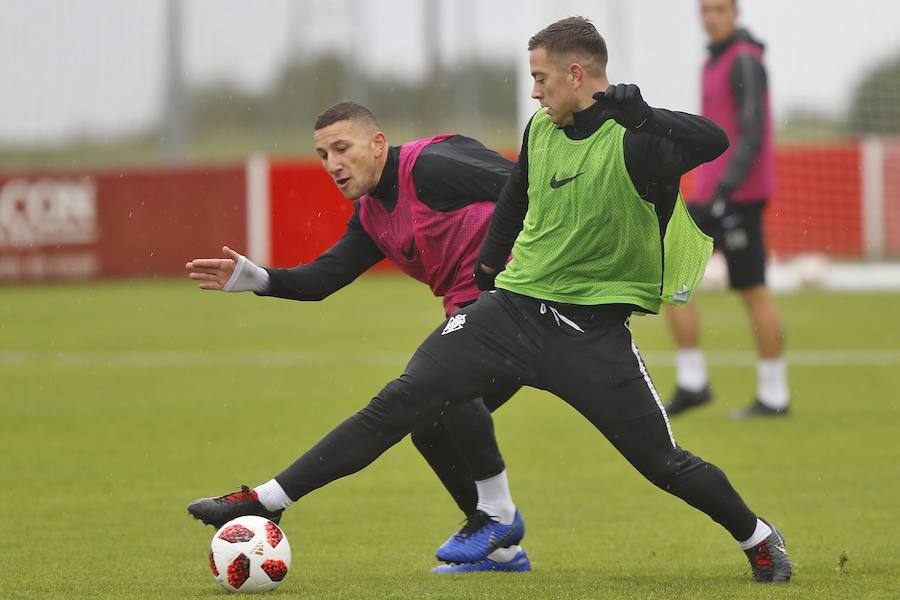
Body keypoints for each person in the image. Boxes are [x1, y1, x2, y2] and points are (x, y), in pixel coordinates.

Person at [188, 17, 792, 583]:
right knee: (406, 401)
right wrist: (488, 273)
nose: (533, 92)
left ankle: (756, 535)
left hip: (591, 333)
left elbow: (712, 139)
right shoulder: (540, 131)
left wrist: (647, 115)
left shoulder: (637, 139)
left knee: (664, 464)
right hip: (510, 310)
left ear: (575, 76)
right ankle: (271, 499)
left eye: (539, 78)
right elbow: (514, 200)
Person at [186, 102, 530, 572]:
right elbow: (324, 278)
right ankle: (503, 548)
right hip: (489, 317)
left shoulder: (433, 166)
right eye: (323, 155)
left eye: (342, 149)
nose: (333, 165)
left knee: (434, 392)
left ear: (378, 144)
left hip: (528, 304)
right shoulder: (372, 213)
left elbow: (524, 184)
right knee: (429, 424)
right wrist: (257, 278)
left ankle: (268, 499)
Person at [664, 0, 788, 418]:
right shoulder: (711, 62)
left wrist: (726, 189)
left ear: (735, 12)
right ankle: (693, 382)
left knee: (752, 288)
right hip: (712, 195)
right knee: (672, 276)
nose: (711, 17)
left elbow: (752, 133)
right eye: (705, 10)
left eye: (719, 9)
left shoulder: (745, 61)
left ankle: (774, 395)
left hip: (738, 196)